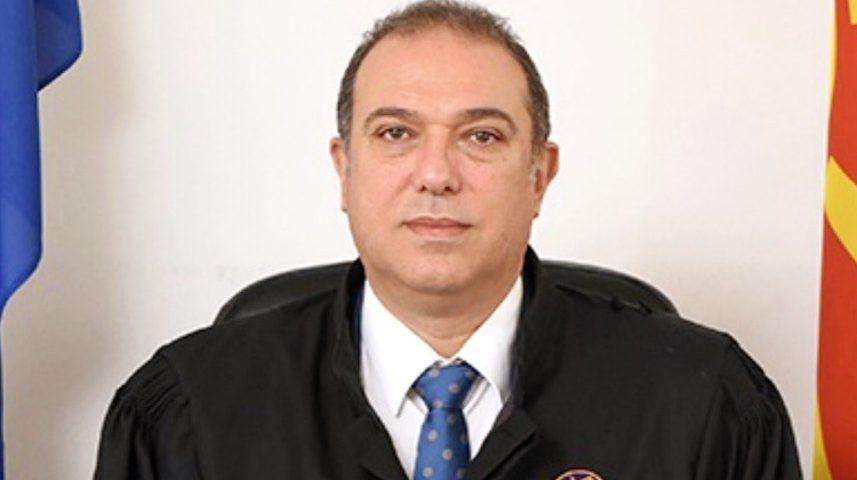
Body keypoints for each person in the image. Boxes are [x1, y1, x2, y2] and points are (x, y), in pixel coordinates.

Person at [94, 1, 802, 479]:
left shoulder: (704, 403)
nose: (436, 174)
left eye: (481, 136)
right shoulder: (188, 412)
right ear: (344, 169)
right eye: (395, 133)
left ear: (539, 175)